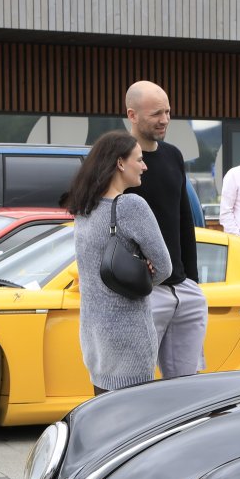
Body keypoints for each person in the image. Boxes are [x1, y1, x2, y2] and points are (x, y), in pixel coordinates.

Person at [66, 130, 172, 393]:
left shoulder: (84, 208)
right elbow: (164, 267)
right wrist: (143, 273)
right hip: (129, 340)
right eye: (139, 159)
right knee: (135, 415)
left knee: (104, 411)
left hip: (94, 338)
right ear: (120, 163)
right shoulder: (130, 206)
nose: (145, 166)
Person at [125, 80, 206, 379]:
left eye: (168, 112)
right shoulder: (117, 159)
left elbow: (184, 219)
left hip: (182, 287)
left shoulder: (173, 155)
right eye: (156, 114)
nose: (165, 120)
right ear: (132, 115)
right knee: (135, 380)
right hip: (143, 291)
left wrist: (192, 280)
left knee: (186, 382)